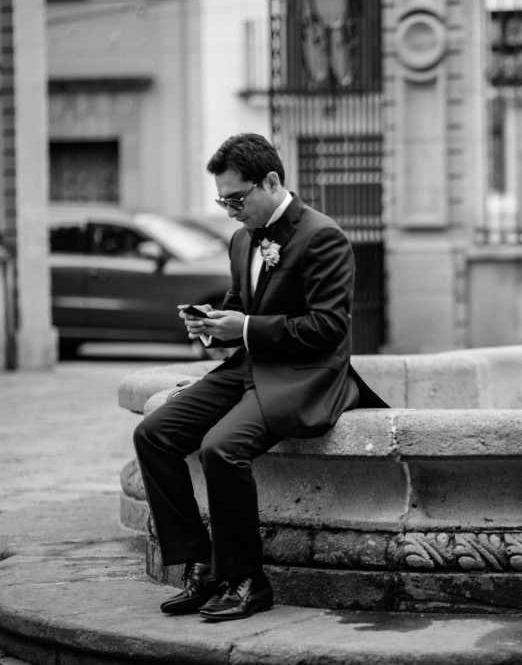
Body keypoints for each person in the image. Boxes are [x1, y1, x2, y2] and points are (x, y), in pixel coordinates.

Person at [133, 132, 385, 622]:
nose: (229, 210)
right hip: (248, 367)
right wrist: (211, 326)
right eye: (221, 200)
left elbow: (328, 328)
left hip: (303, 374)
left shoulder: (322, 235)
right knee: (153, 433)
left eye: (236, 198)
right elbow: (238, 311)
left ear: (270, 181)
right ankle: (203, 566)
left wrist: (245, 327)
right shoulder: (241, 239)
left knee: (220, 448)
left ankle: (248, 580)